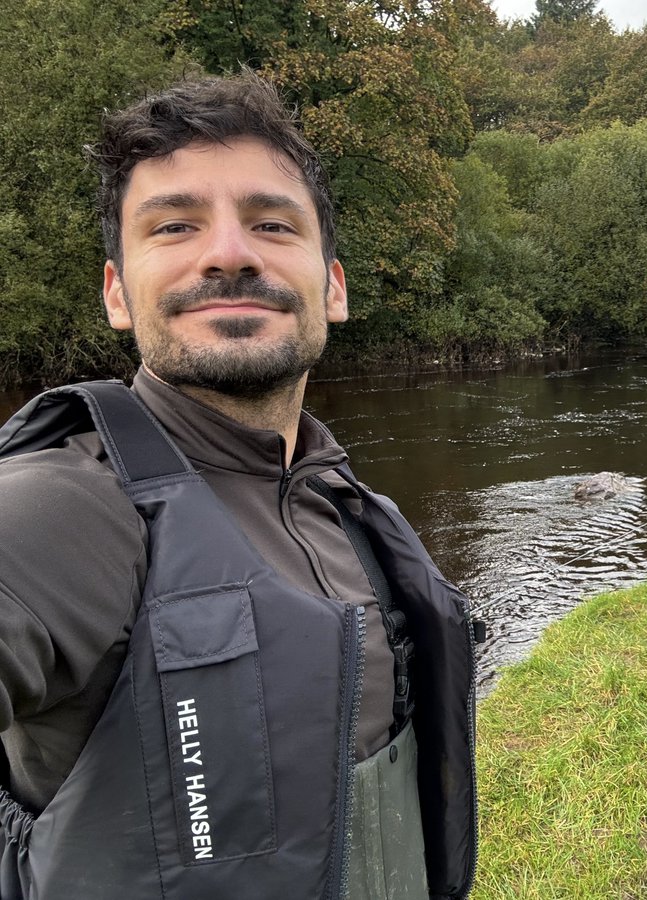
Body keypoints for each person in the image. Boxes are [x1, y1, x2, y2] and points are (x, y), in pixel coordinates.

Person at [0, 73, 477, 899]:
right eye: (175, 225)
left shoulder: (353, 508)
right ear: (118, 293)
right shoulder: (66, 506)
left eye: (270, 223)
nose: (229, 252)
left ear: (332, 286)